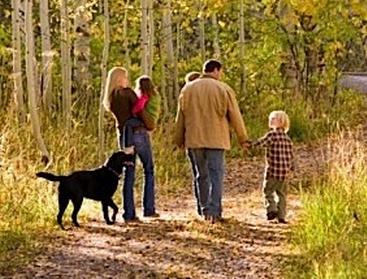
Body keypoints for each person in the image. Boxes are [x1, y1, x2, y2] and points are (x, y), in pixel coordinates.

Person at [175, 60, 249, 223]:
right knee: (216, 175)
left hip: (194, 139)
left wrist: (178, 139)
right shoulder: (223, 89)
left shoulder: (187, 89)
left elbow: (180, 117)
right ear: (216, 70)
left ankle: (204, 210)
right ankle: (215, 211)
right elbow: (235, 116)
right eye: (220, 71)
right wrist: (243, 138)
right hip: (217, 139)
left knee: (201, 175)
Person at [103, 68, 160, 222]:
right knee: (148, 169)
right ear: (120, 78)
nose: (127, 79)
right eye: (125, 76)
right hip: (138, 132)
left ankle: (129, 213)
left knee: (129, 172)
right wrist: (150, 123)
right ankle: (149, 208)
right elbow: (139, 111)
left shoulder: (110, 98)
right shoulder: (128, 93)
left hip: (123, 135)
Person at [249, 110, 295, 224]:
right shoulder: (288, 139)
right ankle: (282, 216)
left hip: (273, 171)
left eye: (273, 118)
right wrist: (291, 168)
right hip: (284, 173)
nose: (270, 120)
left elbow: (262, 143)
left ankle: (271, 210)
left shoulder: (272, 135)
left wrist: (250, 145)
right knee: (282, 194)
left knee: (267, 191)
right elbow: (291, 156)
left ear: (281, 122)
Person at [123, 75, 161, 153]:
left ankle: (128, 146)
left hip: (146, 120)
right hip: (152, 119)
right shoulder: (155, 95)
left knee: (128, 123)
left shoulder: (145, 96)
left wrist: (133, 111)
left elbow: (138, 107)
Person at [183, 71, 202, 215]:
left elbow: (181, 121)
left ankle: (200, 205)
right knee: (208, 173)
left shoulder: (185, 95)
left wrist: (178, 140)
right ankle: (209, 207)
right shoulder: (208, 94)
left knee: (198, 174)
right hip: (210, 140)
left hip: (191, 139)